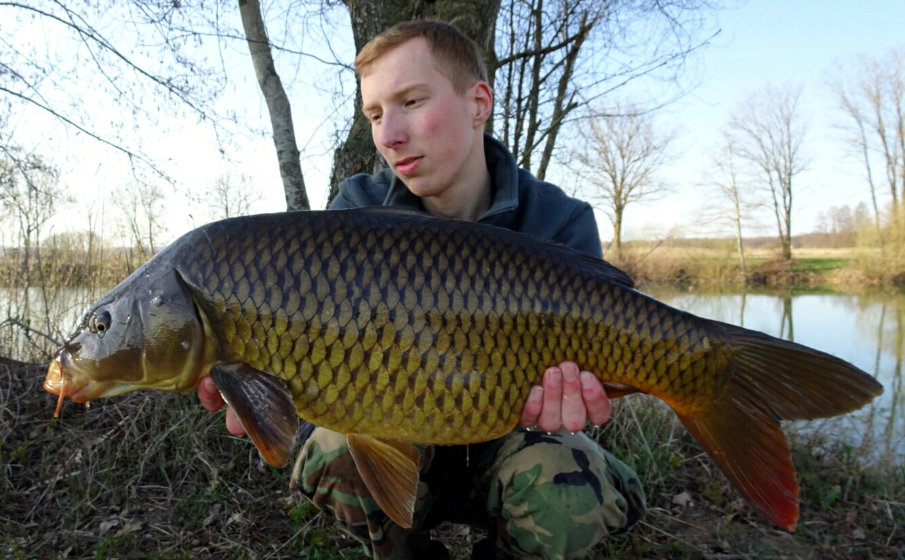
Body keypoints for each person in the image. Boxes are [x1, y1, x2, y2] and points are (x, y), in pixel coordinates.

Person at [198, 20, 644, 560]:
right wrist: (259, 389)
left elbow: (583, 393)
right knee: (330, 447)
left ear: (479, 103)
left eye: (410, 102)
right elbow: (317, 378)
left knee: (565, 483)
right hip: (406, 453)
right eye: (375, 115)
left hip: (517, 448)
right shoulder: (350, 222)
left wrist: (576, 399)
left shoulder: (558, 222)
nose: (388, 136)